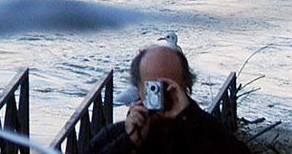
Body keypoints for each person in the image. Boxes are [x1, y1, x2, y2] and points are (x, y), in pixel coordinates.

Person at [86, 43, 247, 154]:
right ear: (138, 89)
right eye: (153, 88)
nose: (162, 95)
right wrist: (128, 143)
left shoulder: (206, 133)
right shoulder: (114, 136)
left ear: (185, 88)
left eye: (169, 87)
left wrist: (190, 116)